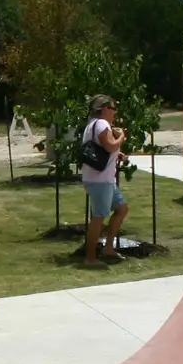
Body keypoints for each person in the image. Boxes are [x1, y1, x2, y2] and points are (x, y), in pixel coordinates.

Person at [79, 94, 128, 267]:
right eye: (114, 109)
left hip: (102, 178)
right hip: (100, 180)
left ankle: (108, 248)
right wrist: (122, 136)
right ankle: (90, 259)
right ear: (105, 108)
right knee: (99, 217)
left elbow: (102, 149)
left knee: (121, 208)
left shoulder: (92, 125)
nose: (115, 113)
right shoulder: (102, 124)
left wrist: (116, 155)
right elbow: (110, 145)